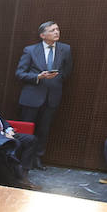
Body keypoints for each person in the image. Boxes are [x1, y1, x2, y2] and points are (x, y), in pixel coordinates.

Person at [15, 20, 71, 163]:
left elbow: (67, 72)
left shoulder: (66, 49)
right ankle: (21, 158)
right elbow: (20, 74)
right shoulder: (30, 50)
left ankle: (37, 158)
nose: (56, 32)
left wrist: (56, 80)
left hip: (52, 97)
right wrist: (38, 77)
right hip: (32, 97)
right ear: (42, 35)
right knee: (26, 130)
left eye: (57, 29)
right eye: (52, 30)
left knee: (44, 130)